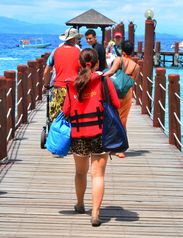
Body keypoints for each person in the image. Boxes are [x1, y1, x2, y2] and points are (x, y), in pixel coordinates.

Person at [63, 48, 120, 227]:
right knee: (98, 175)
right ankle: (95, 214)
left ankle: (80, 204)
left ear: (79, 64)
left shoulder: (72, 83)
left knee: (80, 172)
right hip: (100, 133)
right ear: (97, 63)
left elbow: (66, 112)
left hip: (79, 135)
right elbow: (116, 104)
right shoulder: (104, 81)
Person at [104, 40, 139, 158]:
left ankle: (109, 146)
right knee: (123, 121)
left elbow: (112, 71)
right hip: (127, 94)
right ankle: (121, 149)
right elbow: (132, 82)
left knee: (111, 118)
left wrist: (100, 75)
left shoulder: (119, 59)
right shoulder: (136, 66)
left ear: (122, 51)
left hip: (115, 92)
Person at [43, 27, 81, 120]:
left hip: (59, 87)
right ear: (74, 39)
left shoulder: (56, 51)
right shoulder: (79, 52)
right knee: (73, 114)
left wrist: (46, 84)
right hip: (74, 88)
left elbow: (47, 71)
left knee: (57, 116)